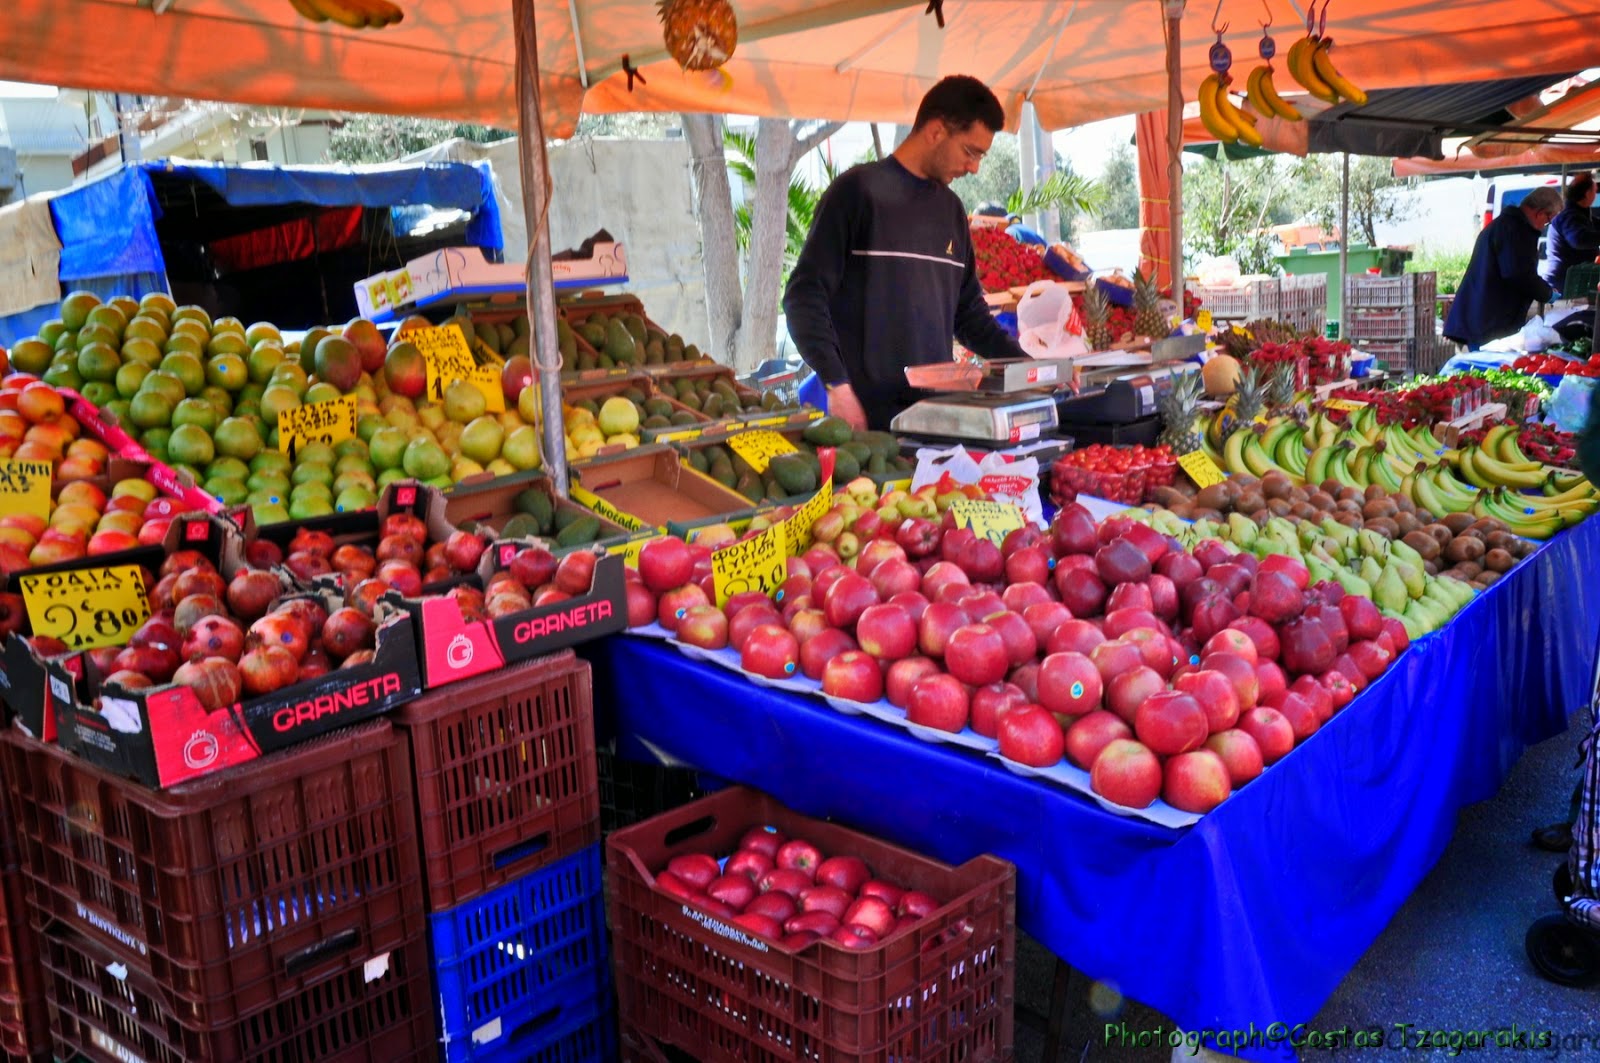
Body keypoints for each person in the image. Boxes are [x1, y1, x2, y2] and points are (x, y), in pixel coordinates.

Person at [783, 75, 1028, 431]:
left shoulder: (951, 211)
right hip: (865, 425)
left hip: (936, 421)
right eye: (970, 151)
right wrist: (837, 385)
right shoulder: (857, 193)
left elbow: (970, 316)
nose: (974, 167)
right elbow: (803, 297)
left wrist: (1030, 367)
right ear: (935, 131)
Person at [1443, 186, 1563, 350]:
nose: (1546, 225)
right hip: (1486, 322)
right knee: (1486, 371)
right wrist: (1546, 293)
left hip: (1484, 319)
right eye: (1549, 220)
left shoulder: (1508, 225)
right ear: (1540, 213)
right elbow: (1518, 273)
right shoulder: (1514, 229)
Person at [1542, 172, 1600, 296]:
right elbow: (1579, 239)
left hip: (1575, 283)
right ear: (1587, 193)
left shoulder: (1582, 215)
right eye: (1595, 191)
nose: (1596, 195)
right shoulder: (1568, 216)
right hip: (1563, 286)